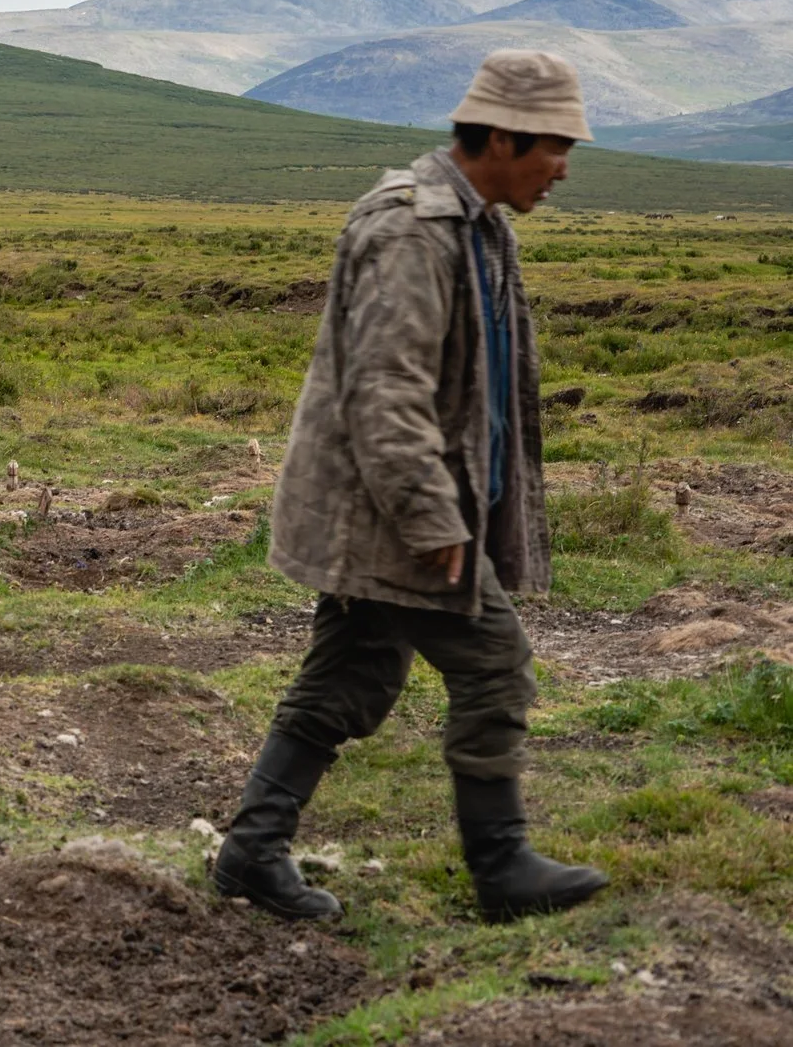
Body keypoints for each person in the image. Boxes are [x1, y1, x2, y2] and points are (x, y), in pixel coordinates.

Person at [213, 49, 610, 923]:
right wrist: (434, 516)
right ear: (502, 136)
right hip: (393, 515)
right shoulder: (412, 232)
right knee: (496, 666)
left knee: (346, 679)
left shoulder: (477, 225)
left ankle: (249, 853)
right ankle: (502, 870)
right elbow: (386, 393)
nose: (565, 168)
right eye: (555, 146)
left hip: (396, 507)